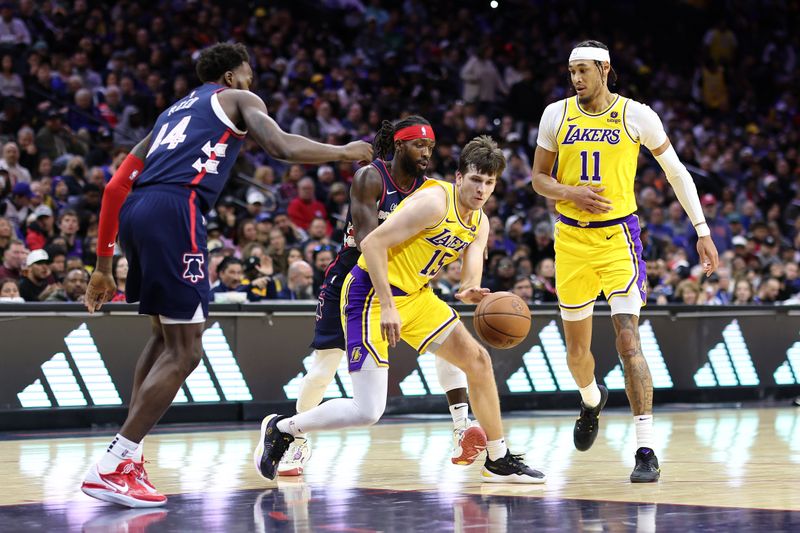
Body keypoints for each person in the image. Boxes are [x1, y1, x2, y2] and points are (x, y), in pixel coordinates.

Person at [81, 43, 372, 508]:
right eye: (250, 75)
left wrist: (101, 265)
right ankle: (116, 462)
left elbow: (116, 186)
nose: (253, 85)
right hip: (177, 209)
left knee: (162, 339)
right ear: (234, 77)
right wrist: (345, 151)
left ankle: (129, 457)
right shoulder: (237, 100)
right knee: (187, 350)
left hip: (139, 212)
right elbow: (279, 146)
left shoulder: (170, 114)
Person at [256, 136, 545, 484]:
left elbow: (469, 276)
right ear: (458, 177)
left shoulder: (479, 222)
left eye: (489, 182)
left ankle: (497, 458)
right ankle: (283, 427)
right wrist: (389, 305)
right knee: (368, 411)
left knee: (478, 361)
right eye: (475, 180)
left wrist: (471, 290)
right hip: (371, 294)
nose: (481, 189)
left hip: (417, 297)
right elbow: (373, 243)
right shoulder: (434, 202)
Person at [530, 41, 719, 483]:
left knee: (628, 340)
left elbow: (676, 172)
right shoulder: (555, 114)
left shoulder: (637, 114)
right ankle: (592, 399)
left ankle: (645, 449)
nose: (576, 79)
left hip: (619, 239)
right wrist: (568, 192)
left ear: (604, 69)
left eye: (583, 71)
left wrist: (703, 230)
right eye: (571, 71)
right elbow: (538, 179)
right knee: (577, 354)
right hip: (571, 240)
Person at [276, 116, 480, 478]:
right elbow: (372, 244)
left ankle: (463, 428)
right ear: (399, 145)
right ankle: (294, 437)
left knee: (446, 343)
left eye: (431, 147)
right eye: (419, 145)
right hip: (354, 276)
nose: (426, 153)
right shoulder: (371, 177)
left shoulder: (430, 189)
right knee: (324, 366)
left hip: (403, 279)